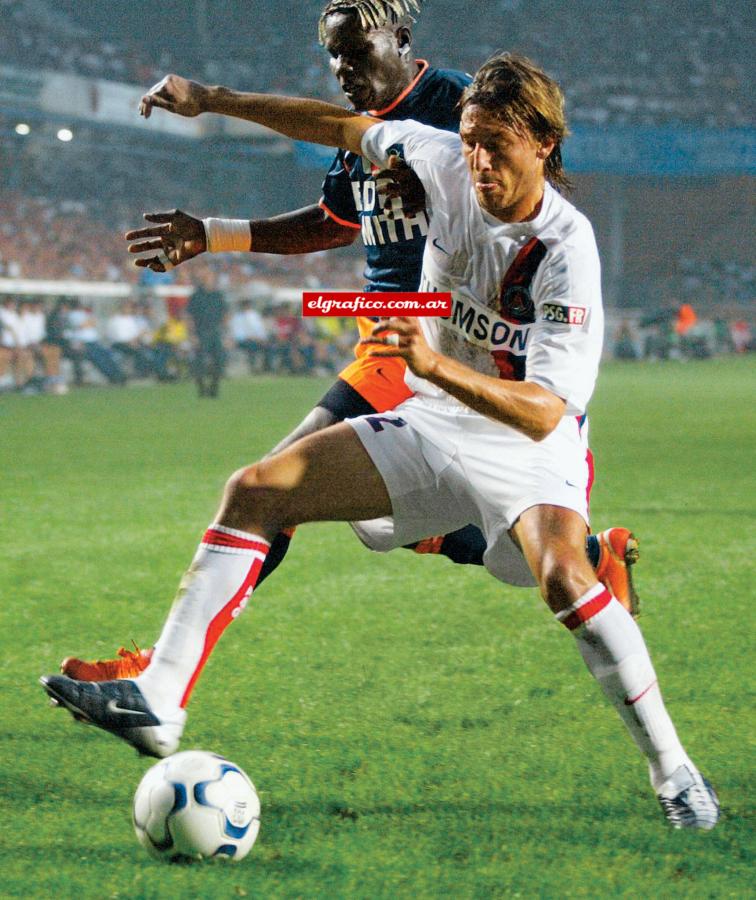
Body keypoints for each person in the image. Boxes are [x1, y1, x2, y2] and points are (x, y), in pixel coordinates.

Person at [42, 53, 718, 829]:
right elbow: (330, 123)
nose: (477, 160)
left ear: (543, 144)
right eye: (468, 140)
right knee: (258, 489)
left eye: (496, 144)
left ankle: (677, 776)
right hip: (430, 422)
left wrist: (430, 362)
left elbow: (541, 412)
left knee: (560, 579)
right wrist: (210, 99)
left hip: (530, 447)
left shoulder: (568, 249)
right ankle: (159, 698)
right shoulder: (438, 161)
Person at [62, 0, 639, 684]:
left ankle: (159, 675)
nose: (343, 69)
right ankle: (589, 555)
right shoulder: (361, 136)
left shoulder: (456, 105)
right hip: (377, 326)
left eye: (356, 51)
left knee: (271, 483)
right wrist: (213, 234)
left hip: (429, 331)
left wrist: (430, 192)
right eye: (334, 56)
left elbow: (510, 210)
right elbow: (336, 221)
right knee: (374, 506)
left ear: (401, 39)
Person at [186, 270, 227, 397]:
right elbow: (189, 316)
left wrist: (225, 333)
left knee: (219, 360)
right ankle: (202, 389)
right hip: (201, 332)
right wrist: (192, 335)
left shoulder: (218, 295)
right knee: (200, 362)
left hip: (215, 331)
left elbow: (225, 314)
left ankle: (214, 388)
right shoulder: (196, 296)